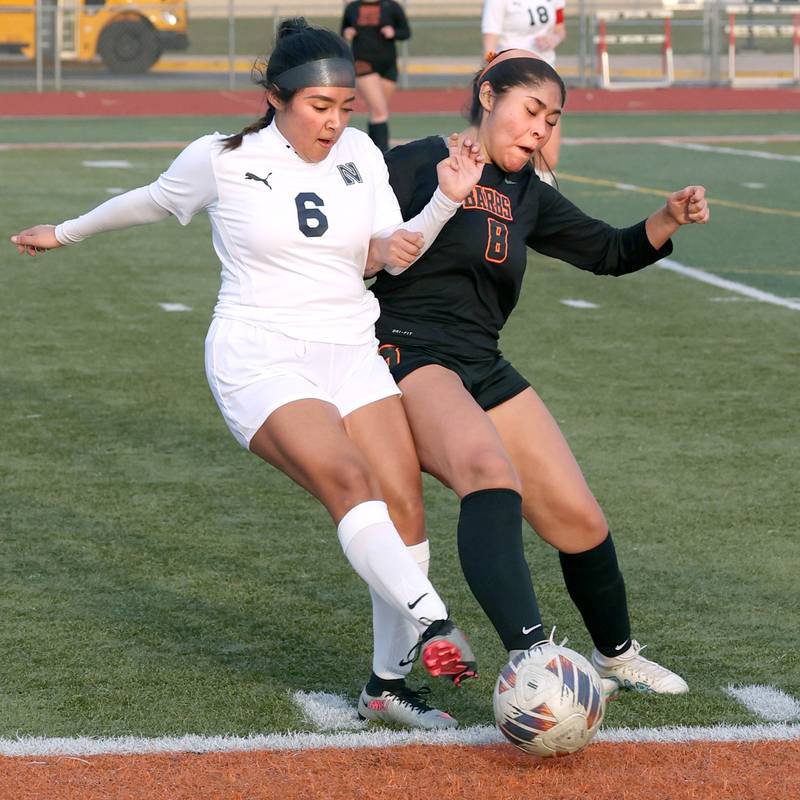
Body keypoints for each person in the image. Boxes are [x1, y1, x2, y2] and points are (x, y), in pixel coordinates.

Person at [9, 19, 487, 723]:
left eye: (344, 107)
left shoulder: (359, 152)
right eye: (318, 107)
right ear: (276, 96)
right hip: (260, 353)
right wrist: (66, 231)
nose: (332, 122)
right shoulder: (222, 158)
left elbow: (387, 255)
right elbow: (148, 200)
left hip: (350, 349)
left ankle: (386, 689)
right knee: (347, 481)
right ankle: (435, 621)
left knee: (405, 506)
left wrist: (447, 198)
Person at [362, 49, 710, 715]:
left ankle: (616, 657)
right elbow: (345, 235)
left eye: (552, 120)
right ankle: (530, 655)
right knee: (489, 477)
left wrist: (667, 218)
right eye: (531, 111)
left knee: (579, 518)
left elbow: (609, 251)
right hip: (406, 350)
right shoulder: (417, 159)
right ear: (488, 96)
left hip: (481, 361)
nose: (540, 130)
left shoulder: (529, 194)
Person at [481, 0, 566, 185]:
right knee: (507, 155)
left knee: (548, 158)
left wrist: (554, 39)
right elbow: (489, 47)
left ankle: (540, 205)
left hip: (547, 83)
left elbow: (560, 28)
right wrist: (493, 74)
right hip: (515, 84)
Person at [341, 0, 411, 153]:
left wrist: (393, 32)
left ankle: (369, 151)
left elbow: (406, 32)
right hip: (363, 63)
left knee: (377, 112)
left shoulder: (391, 6)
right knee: (380, 112)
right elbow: (343, 31)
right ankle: (382, 154)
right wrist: (347, 33)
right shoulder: (353, 8)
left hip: (388, 66)